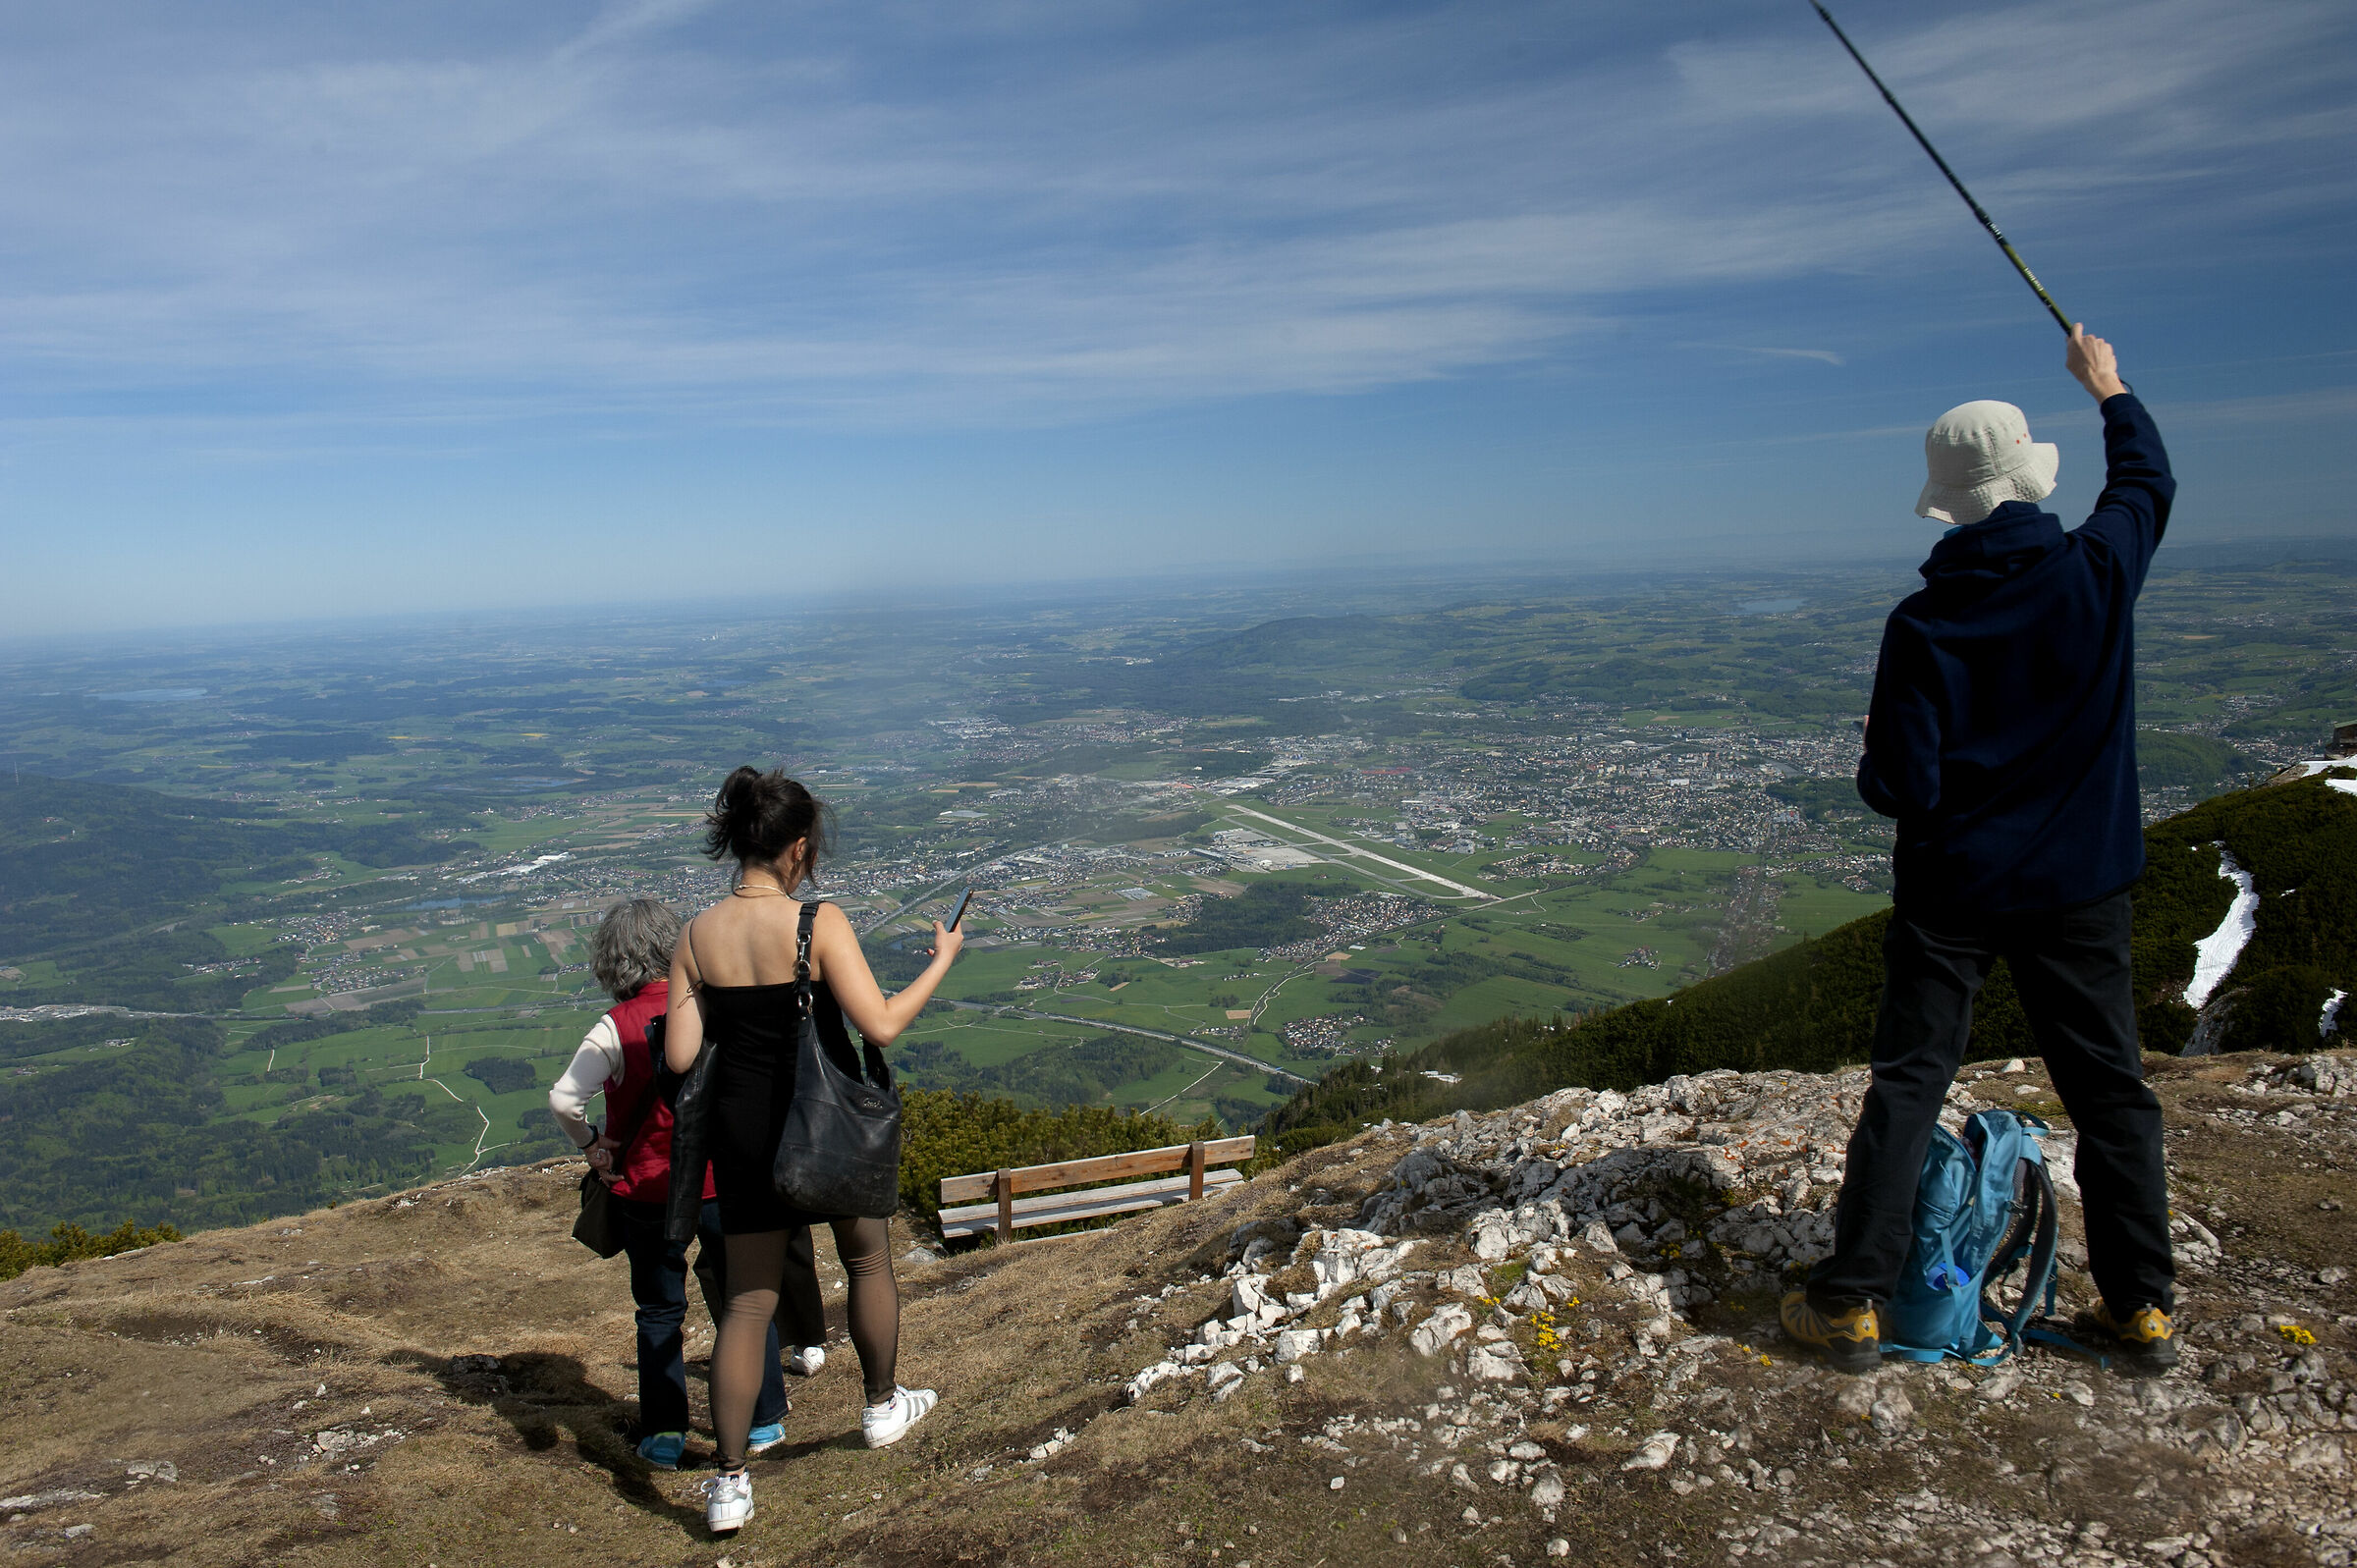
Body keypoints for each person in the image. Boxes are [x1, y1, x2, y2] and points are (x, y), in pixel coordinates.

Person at [1781, 325, 2179, 1378]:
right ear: (2029, 482)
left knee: (1912, 1081)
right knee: (2110, 1092)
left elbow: (1899, 788)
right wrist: (2110, 388)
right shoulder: (2097, 571)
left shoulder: (1922, 625)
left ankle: (1853, 1301)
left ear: (1948, 499)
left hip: (1953, 890)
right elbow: (2147, 480)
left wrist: (1880, 764)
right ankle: (2141, 1308)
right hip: (2083, 885)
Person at [663, 767, 963, 1535]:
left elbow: (680, 1055)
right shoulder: (817, 923)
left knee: (747, 1301)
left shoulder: (695, 937)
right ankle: (881, 1404)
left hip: (741, 1134)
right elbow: (882, 1025)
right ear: (798, 848)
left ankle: (730, 1484)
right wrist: (942, 958)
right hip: (825, 1124)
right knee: (866, 1260)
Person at [548, 897, 825, 1470]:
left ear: (611, 960)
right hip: (722, 1181)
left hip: (648, 1190)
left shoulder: (614, 1027)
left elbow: (563, 1099)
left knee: (659, 1311)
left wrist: (593, 1146)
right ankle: (765, 1419)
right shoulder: (710, 1008)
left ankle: (666, 1433)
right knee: (744, 1302)